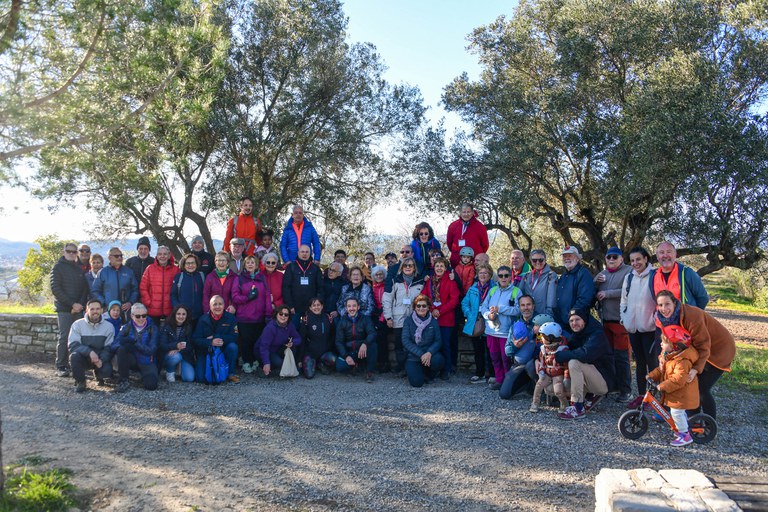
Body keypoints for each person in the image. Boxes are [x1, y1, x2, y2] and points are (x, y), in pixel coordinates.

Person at [654, 290, 735, 419]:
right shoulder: (664, 318)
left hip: (719, 350)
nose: (664, 309)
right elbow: (668, 341)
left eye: (667, 304)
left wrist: (696, 369)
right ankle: (692, 420)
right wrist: (663, 357)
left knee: (700, 388)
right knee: (688, 383)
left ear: (675, 303)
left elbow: (703, 346)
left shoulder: (692, 316)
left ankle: (710, 423)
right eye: (660, 305)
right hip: (697, 349)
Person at [556, 309, 615, 420]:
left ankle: (578, 408)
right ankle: (587, 397)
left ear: (585, 320)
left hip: (604, 380)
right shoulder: (576, 335)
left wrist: (562, 355)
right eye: (571, 320)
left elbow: (585, 354)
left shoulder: (597, 334)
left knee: (574, 362)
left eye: (577, 319)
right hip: (590, 378)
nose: (574, 323)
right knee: (564, 384)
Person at [620, 247, 659, 405]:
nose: (635, 263)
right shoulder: (629, 277)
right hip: (633, 328)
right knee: (640, 363)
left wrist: (654, 320)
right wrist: (624, 318)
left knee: (653, 363)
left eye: (638, 259)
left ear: (646, 259)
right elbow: (624, 300)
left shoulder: (655, 276)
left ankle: (655, 397)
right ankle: (642, 396)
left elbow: (660, 300)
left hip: (650, 329)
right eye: (633, 260)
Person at [594, 246, 632, 402]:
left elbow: (628, 291)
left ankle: (626, 390)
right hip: (606, 322)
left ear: (621, 258)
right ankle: (613, 385)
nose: (611, 259)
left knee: (622, 357)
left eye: (615, 257)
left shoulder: (629, 271)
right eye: (608, 257)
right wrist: (595, 282)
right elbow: (594, 292)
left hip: (621, 322)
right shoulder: (602, 274)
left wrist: (607, 294)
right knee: (608, 356)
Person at [647, 332, 700, 446]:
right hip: (676, 394)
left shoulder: (682, 361)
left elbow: (678, 379)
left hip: (682, 395)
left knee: (676, 413)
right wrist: (651, 376)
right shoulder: (670, 356)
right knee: (677, 412)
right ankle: (683, 428)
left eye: (664, 342)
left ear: (674, 346)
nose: (660, 344)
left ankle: (685, 435)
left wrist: (662, 386)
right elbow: (661, 370)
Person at [51, 242, 90, 377]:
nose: (72, 254)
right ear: (64, 252)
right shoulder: (57, 268)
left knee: (78, 338)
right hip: (64, 309)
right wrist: (72, 304)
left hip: (78, 309)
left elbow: (84, 289)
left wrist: (79, 305)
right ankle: (61, 365)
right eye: (69, 251)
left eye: (74, 252)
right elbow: (56, 289)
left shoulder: (79, 269)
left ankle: (76, 365)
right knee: (64, 337)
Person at [480, 265, 521, 390]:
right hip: (491, 331)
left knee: (506, 358)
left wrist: (501, 310)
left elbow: (518, 310)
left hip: (506, 332)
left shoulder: (516, 292)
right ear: (497, 277)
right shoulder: (492, 291)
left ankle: (508, 383)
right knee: (495, 357)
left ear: (510, 277)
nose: (503, 278)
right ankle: (499, 380)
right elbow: (483, 307)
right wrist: (489, 315)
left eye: (506, 275)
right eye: (501, 275)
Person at [383, 256, 425, 373]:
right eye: (405, 265)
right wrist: (388, 317)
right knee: (399, 345)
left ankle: (411, 368)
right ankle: (401, 368)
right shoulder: (395, 280)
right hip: (398, 319)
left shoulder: (420, 281)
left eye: (410, 265)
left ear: (414, 268)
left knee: (413, 344)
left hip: (414, 319)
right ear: (401, 267)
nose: (408, 267)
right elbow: (387, 299)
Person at [231, 255, 272, 374]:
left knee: (256, 340)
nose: (250, 264)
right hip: (244, 317)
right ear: (244, 264)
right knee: (246, 341)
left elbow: (267, 297)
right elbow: (235, 297)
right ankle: (246, 362)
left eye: (252, 262)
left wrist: (268, 313)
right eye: (248, 262)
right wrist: (247, 297)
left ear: (256, 265)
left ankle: (254, 360)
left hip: (259, 317)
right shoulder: (239, 279)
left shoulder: (262, 278)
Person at [424, 257, 460, 379]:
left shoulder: (451, 281)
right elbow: (424, 297)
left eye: (441, 266)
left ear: (445, 268)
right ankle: (433, 369)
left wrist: (440, 311)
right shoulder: (429, 282)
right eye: (437, 265)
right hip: (431, 318)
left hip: (446, 319)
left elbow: (454, 300)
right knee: (431, 344)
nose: (439, 268)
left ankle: (446, 369)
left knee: (445, 344)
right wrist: (432, 309)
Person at [68, 299, 114, 392]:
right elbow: (73, 345)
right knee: (74, 356)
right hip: (84, 357)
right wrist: (90, 352)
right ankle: (81, 381)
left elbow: (109, 347)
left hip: (100, 358)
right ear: (87, 310)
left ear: (102, 310)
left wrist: (101, 359)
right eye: (92, 309)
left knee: (107, 371)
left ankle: (98, 375)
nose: (95, 311)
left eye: (97, 309)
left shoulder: (109, 326)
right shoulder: (77, 324)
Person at [498, 294, 538, 399]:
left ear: (533, 306)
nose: (526, 308)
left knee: (531, 365)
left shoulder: (541, 322)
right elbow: (508, 351)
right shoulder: (515, 325)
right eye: (523, 305)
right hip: (519, 365)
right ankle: (526, 385)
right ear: (519, 307)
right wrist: (515, 346)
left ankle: (538, 388)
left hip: (536, 365)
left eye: (528, 304)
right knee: (504, 394)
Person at [193, 295, 240, 383]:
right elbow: (196, 339)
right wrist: (210, 342)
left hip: (223, 349)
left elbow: (235, 336)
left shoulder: (231, 318)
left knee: (233, 347)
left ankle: (230, 373)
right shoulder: (202, 319)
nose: (217, 307)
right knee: (200, 378)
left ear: (224, 305)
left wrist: (217, 337)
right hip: (206, 351)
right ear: (210, 306)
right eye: (215, 304)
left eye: (220, 304)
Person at [461, 263, 495, 384]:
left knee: (491, 349)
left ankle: (492, 374)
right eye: (480, 273)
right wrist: (469, 313)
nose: (483, 275)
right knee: (477, 349)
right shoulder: (473, 289)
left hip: (490, 322)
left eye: (485, 273)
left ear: (490, 275)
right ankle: (479, 373)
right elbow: (464, 303)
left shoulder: (494, 288)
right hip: (475, 322)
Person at [649, 241, 709, 309]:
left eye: (669, 252)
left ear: (675, 254)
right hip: (660, 319)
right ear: (657, 256)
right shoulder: (653, 275)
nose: (665, 255)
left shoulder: (687, 273)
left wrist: (693, 316)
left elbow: (703, 298)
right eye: (661, 252)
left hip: (684, 319)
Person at [114, 303, 160, 393]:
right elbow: (115, 344)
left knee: (151, 386)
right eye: (138, 316)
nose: (141, 318)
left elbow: (151, 350)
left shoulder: (153, 328)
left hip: (147, 361)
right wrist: (126, 343)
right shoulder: (126, 327)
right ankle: (124, 379)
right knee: (122, 349)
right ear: (132, 316)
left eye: (144, 315)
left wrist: (135, 342)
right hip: (132, 360)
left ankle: (144, 375)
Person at [402, 294, 445, 387]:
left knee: (439, 360)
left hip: (429, 354)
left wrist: (429, 352)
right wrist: (421, 354)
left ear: (428, 307)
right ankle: (416, 371)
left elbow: (438, 340)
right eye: (418, 306)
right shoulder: (408, 321)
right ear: (414, 307)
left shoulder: (433, 321)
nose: (421, 308)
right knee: (417, 384)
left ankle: (429, 375)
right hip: (413, 355)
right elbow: (406, 341)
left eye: (424, 306)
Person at [529, 322, 569, 413]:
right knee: (539, 385)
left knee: (558, 390)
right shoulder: (543, 349)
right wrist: (541, 371)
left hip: (558, 373)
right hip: (547, 372)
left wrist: (566, 377)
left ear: (550, 337)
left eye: (542, 336)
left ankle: (564, 404)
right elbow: (542, 362)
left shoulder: (562, 349)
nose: (540, 338)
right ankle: (535, 402)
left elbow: (566, 364)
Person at [554, 245, 595, 333]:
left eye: (570, 256)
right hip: (562, 323)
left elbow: (585, 299)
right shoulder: (564, 275)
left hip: (575, 324)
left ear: (577, 258)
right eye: (565, 256)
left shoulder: (583, 274)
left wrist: (572, 317)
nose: (567, 258)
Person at [335, 297, 378, 382]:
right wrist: (346, 356)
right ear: (346, 308)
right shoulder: (342, 322)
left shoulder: (365, 319)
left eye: (354, 306)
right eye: (349, 306)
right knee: (340, 366)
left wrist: (365, 344)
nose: (352, 308)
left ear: (358, 307)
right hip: (350, 351)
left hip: (362, 349)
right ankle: (356, 365)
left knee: (373, 345)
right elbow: (339, 342)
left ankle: (369, 372)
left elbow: (372, 333)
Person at [92, 247, 139, 324]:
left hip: (125, 311)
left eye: (121, 255)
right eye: (116, 256)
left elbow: (135, 289)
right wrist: (104, 303)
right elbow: (95, 290)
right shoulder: (103, 272)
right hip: (108, 310)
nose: (120, 258)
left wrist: (130, 302)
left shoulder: (128, 271)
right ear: (109, 257)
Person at [282, 244, 323, 326]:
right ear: (298, 253)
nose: (304, 254)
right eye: (302, 252)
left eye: (307, 252)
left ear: (310, 253)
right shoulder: (291, 267)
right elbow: (286, 287)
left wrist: (317, 305)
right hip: (295, 307)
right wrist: (289, 305)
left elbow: (320, 288)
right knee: (293, 330)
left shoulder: (315, 268)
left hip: (311, 307)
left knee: (311, 331)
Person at [139, 245, 179, 326]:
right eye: (160, 254)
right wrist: (148, 302)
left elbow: (179, 288)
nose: (162, 256)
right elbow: (143, 287)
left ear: (169, 256)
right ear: (156, 256)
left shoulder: (175, 270)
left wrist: (175, 304)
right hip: (153, 311)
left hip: (170, 310)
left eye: (165, 254)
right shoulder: (150, 269)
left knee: (167, 336)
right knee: (153, 335)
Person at [258, 305, 302, 376]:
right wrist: (266, 363)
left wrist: (292, 342)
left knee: (293, 348)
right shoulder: (270, 328)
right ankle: (262, 366)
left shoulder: (290, 325)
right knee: (279, 363)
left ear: (289, 317)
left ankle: (280, 368)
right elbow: (264, 347)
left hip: (278, 349)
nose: (283, 316)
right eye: (281, 314)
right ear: (276, 314)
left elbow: (298, 338)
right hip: (266, 351)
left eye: (286, 314)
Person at [298, 298, 336, 378]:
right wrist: (300, 359)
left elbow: (333, 335)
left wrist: (329, 348)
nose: (316, 307)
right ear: (310, 308)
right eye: (314, 305)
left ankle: (320, 364)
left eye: (318, 305)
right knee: (309, 375)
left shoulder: (328, 318)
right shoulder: (306, 320)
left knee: (333, 359)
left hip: (324, 353)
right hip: (311, 353)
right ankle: (313, 363)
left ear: (322, 306)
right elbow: (302, 339)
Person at [446, 203, 489, 269]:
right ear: (460, 213)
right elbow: (449, 243)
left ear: (472, 212)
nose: (466, 214)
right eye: (464, 212)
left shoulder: (480, 227)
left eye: (468, 212)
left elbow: (485, 245)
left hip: (474, 264)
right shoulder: (453, 226)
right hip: (457, 264)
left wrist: (477, 257)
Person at [159, 305, 196, 383]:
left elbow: (190, 346)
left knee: (189, 378)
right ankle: (170, 371)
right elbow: (162, 345)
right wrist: (175, 346)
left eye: (183, 314)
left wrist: (178, 349)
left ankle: (179, 367)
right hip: (169, 355)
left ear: (186, 315)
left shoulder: (188, 327)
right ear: (174, 314)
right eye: (178, 314)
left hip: (184, 355)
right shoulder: (167, 326)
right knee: (176, 356)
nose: (181, 316)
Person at [520, 249, 556, 316]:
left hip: (543, 315)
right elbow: (520, 294)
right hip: (528, 314)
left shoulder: (551, 275)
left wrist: (548, 315)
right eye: (534, 260)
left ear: (545, 260)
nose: (537, 262)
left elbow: (552, 298)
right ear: (531, 261)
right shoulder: (527, 276)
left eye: (541, 260)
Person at [171, 253, 206, 323]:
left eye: (193, 263)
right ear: (184, 265)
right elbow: (173, 295)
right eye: (188, 263)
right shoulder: (179, 277)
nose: (190, 265)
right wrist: (178, 308)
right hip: (183, 316)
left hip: (199, 316)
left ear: (196, 264)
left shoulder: (202, 276)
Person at [370, 265, 389, 371]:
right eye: (377, 274)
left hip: (385, 315)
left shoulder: (387, 287)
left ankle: (383, 362)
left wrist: (381, 319)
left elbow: (386, 305)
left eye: (381, 274)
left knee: (381, 336)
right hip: (374, 315)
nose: (379, 276)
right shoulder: (372, 287)